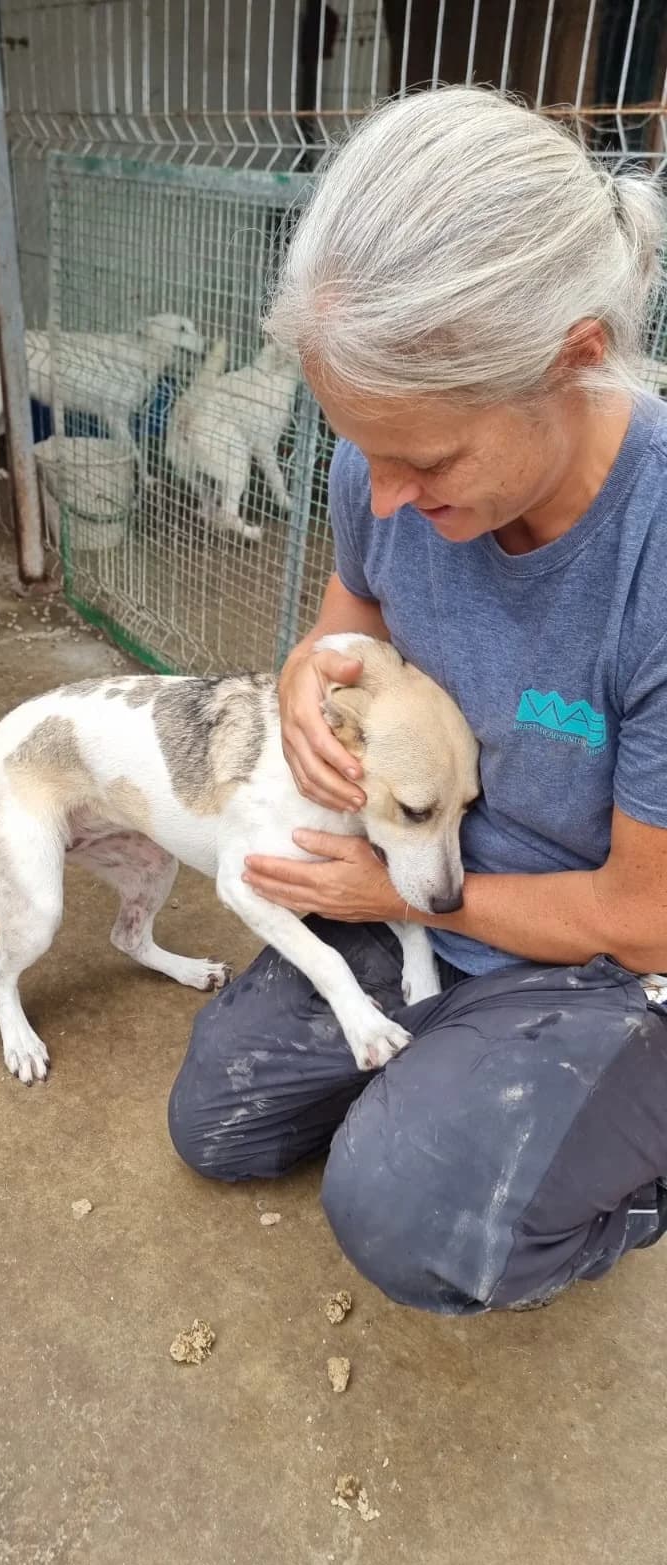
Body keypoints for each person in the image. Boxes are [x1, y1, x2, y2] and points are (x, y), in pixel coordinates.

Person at [169, 86, 667, 1314]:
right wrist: (305, 668)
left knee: (404, 1210)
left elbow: (647, 916)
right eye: (359, 447)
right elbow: (354, 626)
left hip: (612, 952)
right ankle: (456, 1078)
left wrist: (385, 886)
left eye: (426, 460)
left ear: (574, 361)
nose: (382, 497)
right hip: (426, 903)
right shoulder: (381, 463)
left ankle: (618, 1152)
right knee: (218, 1121)